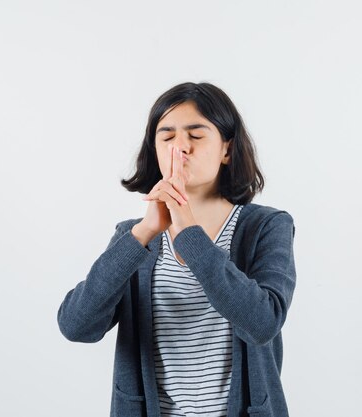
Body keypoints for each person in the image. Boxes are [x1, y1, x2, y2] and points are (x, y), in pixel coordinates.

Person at [57, 82, 297, 417]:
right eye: (167, 137)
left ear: (226, 149)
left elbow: (261, 324)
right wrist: (144, 232)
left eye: (195, 136)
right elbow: (76, 325)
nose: (180, 148)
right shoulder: (133, 236)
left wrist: (189, 233)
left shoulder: (266, 227)